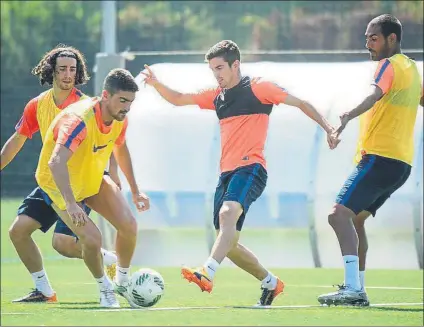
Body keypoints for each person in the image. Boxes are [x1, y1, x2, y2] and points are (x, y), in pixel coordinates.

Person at [141, 40, 338, 306]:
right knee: (229, 242)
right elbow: (178, 99)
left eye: (220, 67)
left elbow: (301, 103)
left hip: (252, 168)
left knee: (227, 215)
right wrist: (156, 84)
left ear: (236, 64)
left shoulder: (259, 88)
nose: (217, 74)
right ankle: (271, 283)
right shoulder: (216, 95)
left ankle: (207, 272)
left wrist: (328, 128)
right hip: (226, 175)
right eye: (213, 69)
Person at [317, 14, 423, 307]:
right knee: (356, 220)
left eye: (373, 38)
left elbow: (374, 95)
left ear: (392, 39)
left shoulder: (387, 66)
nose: (368, 44)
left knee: (338, 214)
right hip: (401, 164)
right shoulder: (412, 69)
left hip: (381, 158)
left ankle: (352, 289)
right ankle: (358, 288)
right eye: (366, 38)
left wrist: (348, 115)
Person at [0, 45, 120, 303]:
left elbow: (109, 143)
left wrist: (112, 177)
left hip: (77, 185)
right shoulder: (37, 105)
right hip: (48, 182)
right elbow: (17, 140)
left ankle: (107, 279)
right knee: (18, 231)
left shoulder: (88, 106)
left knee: (63, 244)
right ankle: (44, 290)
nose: (68, 74)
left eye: (73, 70)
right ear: (51, 71)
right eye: (62, 69)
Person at [34, 68, 150, 308]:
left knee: (129, 225)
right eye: (122, 101)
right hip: (56, 182)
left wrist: (135, 189)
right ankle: (105, 288)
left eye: (130, 102)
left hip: (91, 177)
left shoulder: (119, 118)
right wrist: (71, 203)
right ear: (105, 96)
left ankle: (122, 282)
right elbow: (55, 163)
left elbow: (120, 148)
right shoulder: (78, 121)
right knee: (91, 238)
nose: (127, 107)